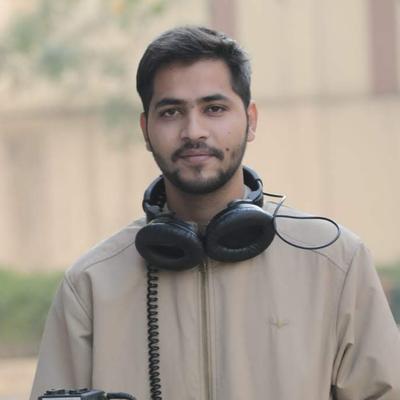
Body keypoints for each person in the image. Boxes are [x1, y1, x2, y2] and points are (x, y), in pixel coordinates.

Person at [30, 26, 400, 400]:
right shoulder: (91, 285)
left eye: (214, 109)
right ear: (145, 129)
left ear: (251, 120)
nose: (194, 131)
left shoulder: (336, 263)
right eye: (171, 112)